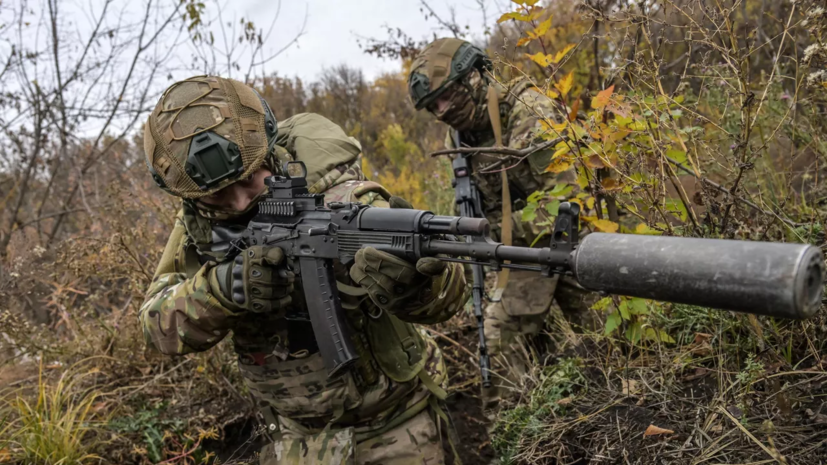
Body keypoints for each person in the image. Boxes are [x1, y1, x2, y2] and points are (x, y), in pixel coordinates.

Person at [139, 75, 468, 464]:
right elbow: (155, 327)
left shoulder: (341, 197)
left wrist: (416, 283)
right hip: (295, 441)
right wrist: (221, 290)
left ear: (268, 149)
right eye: (220, 194)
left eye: (249, 178)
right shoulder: (199, 225)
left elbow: (448, 301)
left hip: (397, 425)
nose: (242, 200)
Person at [408, 39, 597, 409]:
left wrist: (496, 236)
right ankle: (519, 434)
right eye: (434, 106)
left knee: (611, 346)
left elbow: (567, 203)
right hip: (517, 255)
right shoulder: (459, 137)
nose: (443, 111)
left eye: (448, 97)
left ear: (476, 78)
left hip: (573, 249)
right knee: (497, 347)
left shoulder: (529, 111)